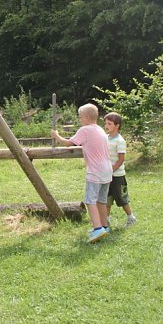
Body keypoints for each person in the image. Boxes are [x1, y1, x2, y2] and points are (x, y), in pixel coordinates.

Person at [52, 103, 113, 243]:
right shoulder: (100, 130)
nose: (79, 119)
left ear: (86, 117)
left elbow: (69, 143)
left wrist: (56, 136)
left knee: (90, 201)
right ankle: (104, 226)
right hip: (107, 170)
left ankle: (97, 230)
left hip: (95, 171)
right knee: (101, 201)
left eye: (80, 117)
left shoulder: (85, 130)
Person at [104, 112, 137, 227]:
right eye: (105, 123)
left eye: (109, 124)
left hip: (117, 176)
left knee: (121, 198)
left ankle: (131, 217)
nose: (106, 126)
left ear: (117, 126)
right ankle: (106, 220)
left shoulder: (120, 141)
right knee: (107, 198)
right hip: (107, 175)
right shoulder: (106, 138)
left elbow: (121, 159)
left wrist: (112, 169)